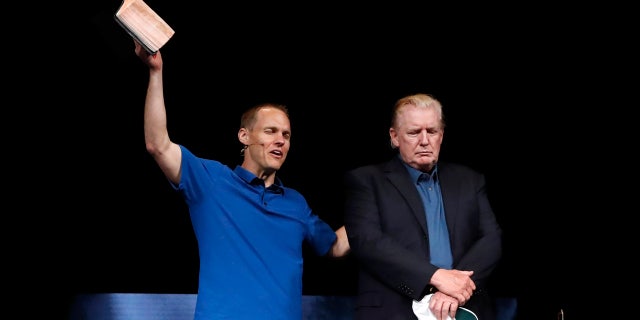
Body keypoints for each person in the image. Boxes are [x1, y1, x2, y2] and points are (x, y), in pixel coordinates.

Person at [132, 41, 350, 320]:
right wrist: (155, 72)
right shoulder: (211, 181)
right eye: (271, 131)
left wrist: (376, 209)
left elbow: (333, 246)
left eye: (286, 135)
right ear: (244, 136)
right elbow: (158, 145)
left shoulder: (295, 203)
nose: (280, 141)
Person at [343, 93, 502, 320]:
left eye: (432, 131)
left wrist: (457, 289)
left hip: (464, 309)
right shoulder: (366, 180)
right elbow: (367, 241)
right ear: (395, 136)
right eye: (414, 132)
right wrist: (436, 276)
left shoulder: (470, 180)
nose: (425, 140)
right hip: (393, 310)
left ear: (442, 135)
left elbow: (491, 239)